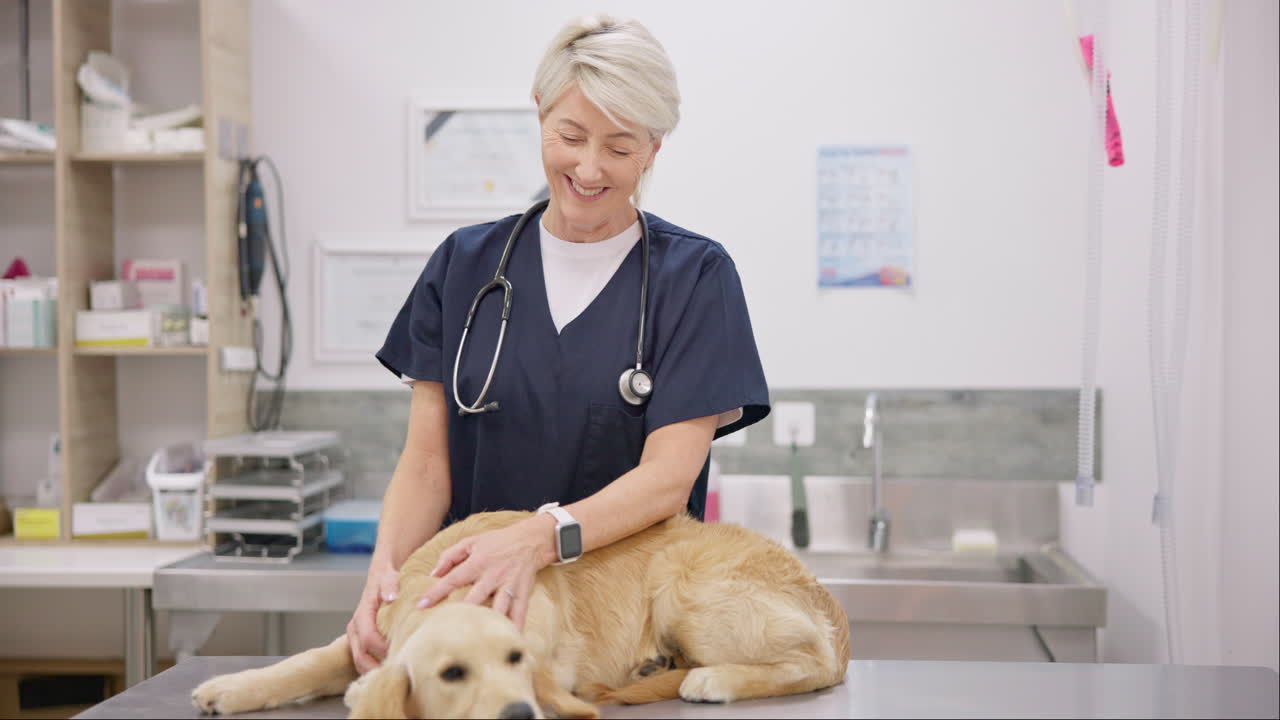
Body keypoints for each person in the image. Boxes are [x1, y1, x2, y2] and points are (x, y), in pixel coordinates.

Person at [347, 14, 770, 674]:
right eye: (570, 136)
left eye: (621, 147)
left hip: (628, 634)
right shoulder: (463, 266)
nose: (590, 167)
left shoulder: (696, 278)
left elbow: (667, 480)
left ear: (655, 146)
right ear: (539, 110)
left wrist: (539, 539)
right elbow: (428, 463)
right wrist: (387, 574)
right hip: (477, 620)